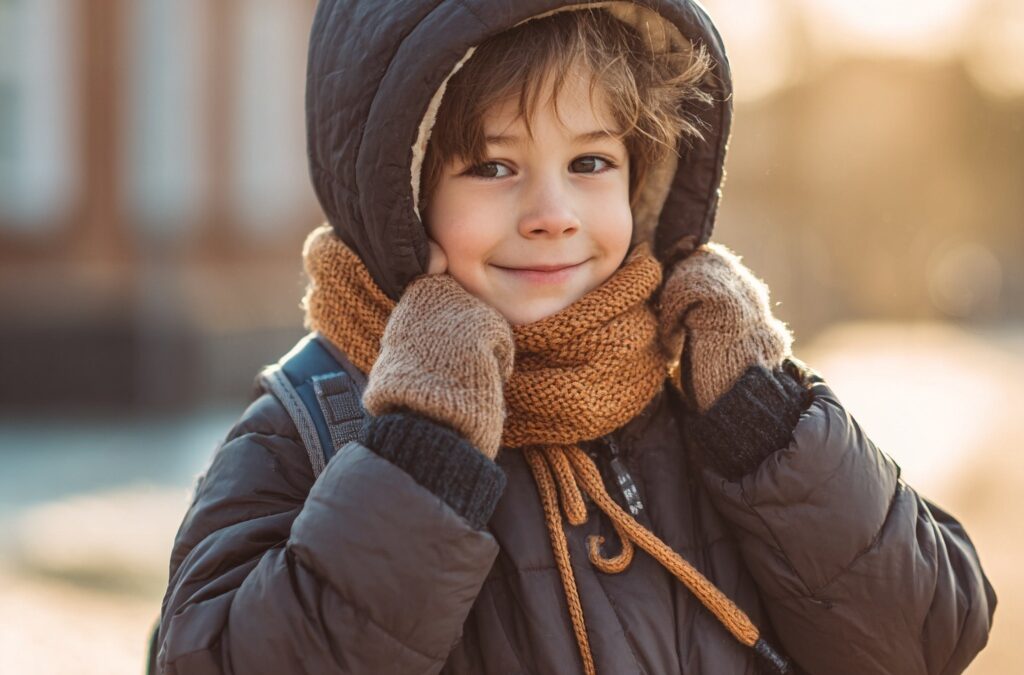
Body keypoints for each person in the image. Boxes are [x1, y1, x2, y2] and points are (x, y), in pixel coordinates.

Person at [151, 3, 995, 674]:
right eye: (492, 166)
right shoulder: (311, 428)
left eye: (591, 163)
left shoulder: (699, 387)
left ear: (647, 175)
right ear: (397, 191)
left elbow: (930, 634)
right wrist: (421, 451)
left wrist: (765, 425)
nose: (552, 215)